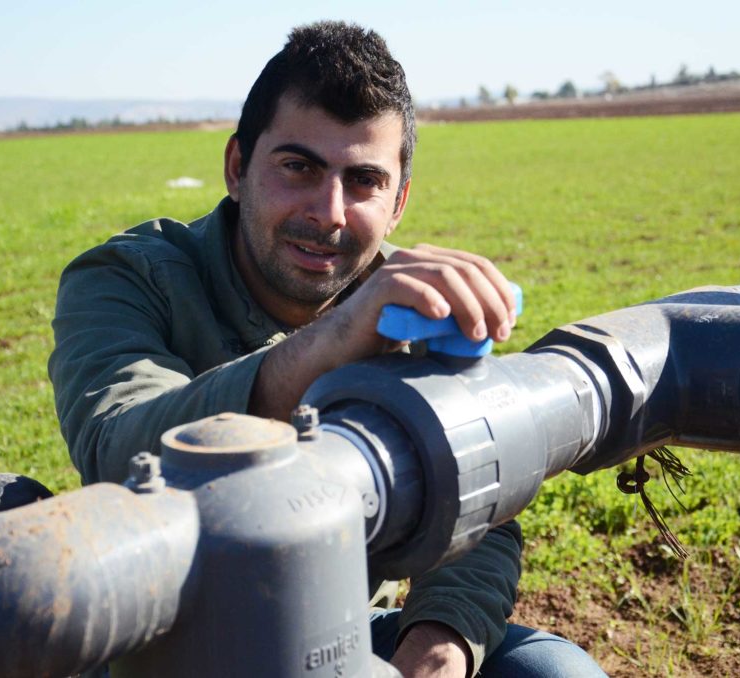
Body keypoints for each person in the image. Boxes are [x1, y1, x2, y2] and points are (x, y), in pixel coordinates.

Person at [49, 20, 605, 678]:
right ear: (237, 167)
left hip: (334, 634)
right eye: (298, 167)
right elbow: (120, 453)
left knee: (553, 672)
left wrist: (438, 645)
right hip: (159, 642)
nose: (330, 211)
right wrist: (335, 341)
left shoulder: (415, 307)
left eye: (364, 180)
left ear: (398, 203)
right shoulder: (127, 279)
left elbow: (479, 496)